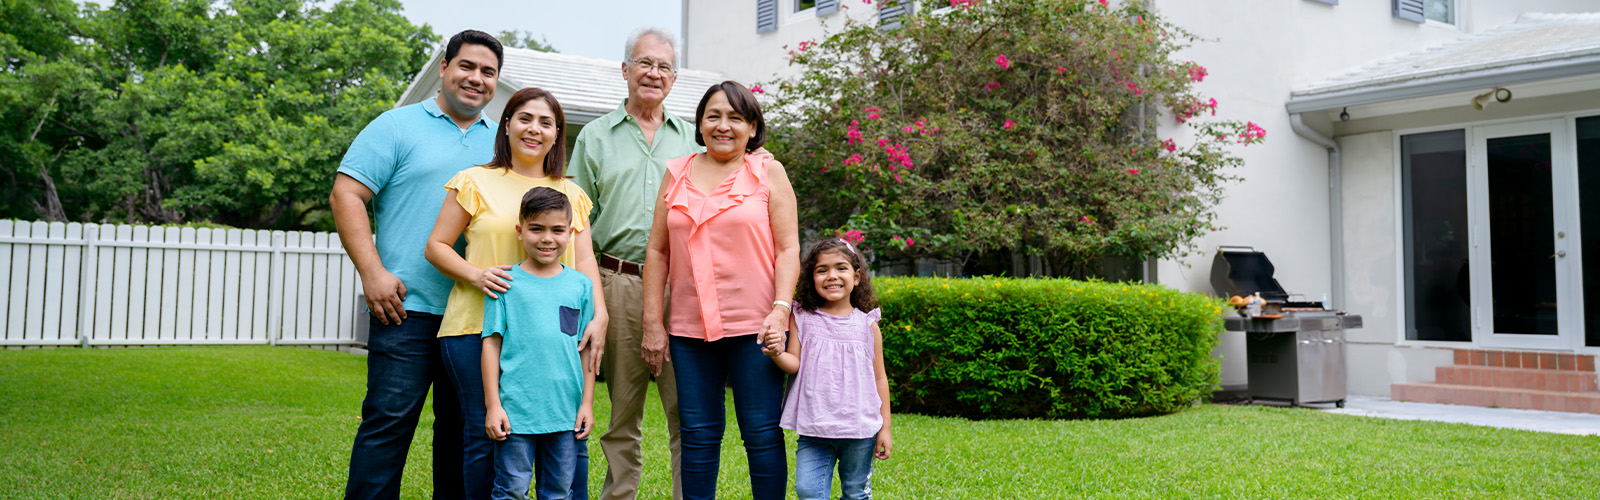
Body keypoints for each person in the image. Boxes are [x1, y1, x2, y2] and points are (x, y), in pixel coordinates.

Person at [330, 29, 503, 500]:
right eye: (467, 66)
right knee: (387, 427)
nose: (476, 78)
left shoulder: (504, 144)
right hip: (406, 308)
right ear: (444, 68)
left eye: (488, 72)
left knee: (465, 435)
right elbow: (347, 193)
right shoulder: (396, 126)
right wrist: (373, 272)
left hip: (474, 315)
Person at [425, 87, 605, 500]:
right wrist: (476, 275)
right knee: (486, 434)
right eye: (525, 118)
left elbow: (586, 260)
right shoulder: (474, 180)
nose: (534, 129)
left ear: (558, 133)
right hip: (475, 329)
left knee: (565, 434)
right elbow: (435, 246)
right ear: (506, 125)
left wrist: (601, 314)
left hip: (552, 336)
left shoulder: (572, 194)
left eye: (546, 122)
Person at [640, 81, 800, 500]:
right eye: (713, 115)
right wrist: (652, 322)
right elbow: (657, 252)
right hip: (690, 331)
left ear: (752, 127)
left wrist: (781, 311)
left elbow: (788, 249)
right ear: (700, 123)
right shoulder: (676, 172)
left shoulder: (768, 171)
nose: (723, 125)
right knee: (697, 434)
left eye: (735, 117)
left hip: (757, 328)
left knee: (761, 432)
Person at [568, 27, 696, 500]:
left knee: (689, 412)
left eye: (663, 66)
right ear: (625, 70)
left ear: (674, 78)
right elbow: (576, 220)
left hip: (682, 289)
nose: (653, 73)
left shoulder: (694, 141)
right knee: (623, 412)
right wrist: (590, 296)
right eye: (644, 63)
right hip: (616, 282)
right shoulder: (595, 137)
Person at [481, 187, 599, 500]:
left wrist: (586, 403)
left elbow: (584, 348)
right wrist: (494, 406)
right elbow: (491, 346)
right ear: (520, 232)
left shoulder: (580, 285)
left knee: (558, 492)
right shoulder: (505, 283)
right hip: (516, 413)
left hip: (565, 414)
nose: (547, 238)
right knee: (511, 490)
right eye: (537, 229)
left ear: (570, 233)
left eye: (557, 230)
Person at [762, 239, 893, 500]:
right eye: (822, 270)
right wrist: (777, 352)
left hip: (859, 430)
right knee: (808, 490)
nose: (831, 276)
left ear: (856, 277)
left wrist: (885, 427)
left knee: (855, 493)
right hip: (814, 428)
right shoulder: (803, 318)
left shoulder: (868, 325)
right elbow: (794, 364)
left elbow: (880, 377)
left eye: (840, 268)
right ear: (812, 278)